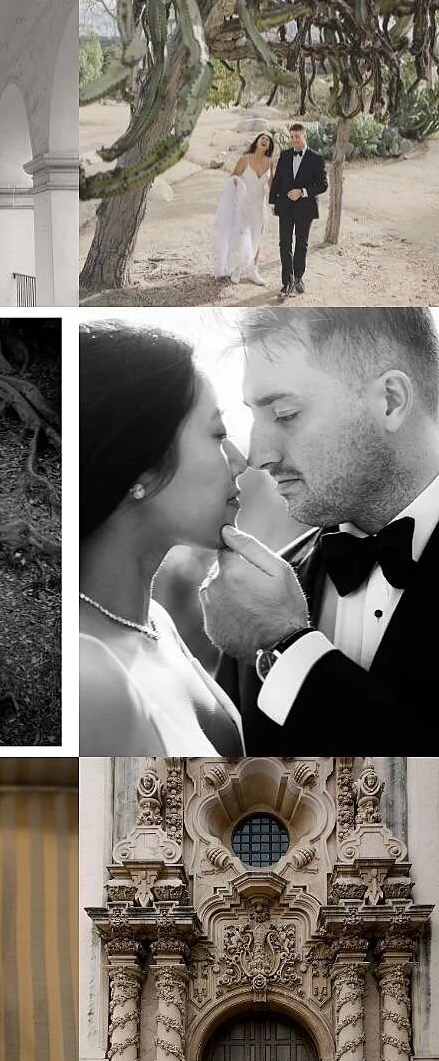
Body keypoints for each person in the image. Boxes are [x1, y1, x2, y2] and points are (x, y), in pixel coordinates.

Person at [204, 306, 439, 756]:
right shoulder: (260, 593)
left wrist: (290, 647)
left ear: (390, 400)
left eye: (285, 414)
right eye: (255, 415)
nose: (257, 455)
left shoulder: (269, 620)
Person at [79, 320, 246, 757]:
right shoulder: (88, 677)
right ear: (142, 468)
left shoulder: (155, 621)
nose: (241, 461)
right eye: (218, 435)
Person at [269, 122, 327, 298]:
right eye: (292, 136)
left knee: (302, 244)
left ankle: (298, 277)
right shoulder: (285, 155)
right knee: (285, 243)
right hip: (285, 207)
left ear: (305, 136)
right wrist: (273, 202)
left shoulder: (316, 158)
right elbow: (277, 179)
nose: (294, 139)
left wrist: (302, 192)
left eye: (297, 136)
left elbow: (323, 185)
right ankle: (287, 282)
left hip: (305, 208)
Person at [212, 134, 274, 285]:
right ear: (257, 142)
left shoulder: (270, 163)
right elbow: (233, 179)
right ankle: (238, 269)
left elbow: (272, 185)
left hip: (260, 206)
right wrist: (238, 194)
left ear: (269, 146)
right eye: (263, 138)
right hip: (243, 205)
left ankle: (253, 271)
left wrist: (274, 204)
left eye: (268, 140)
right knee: (241, 236)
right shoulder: (244, 159)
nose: (265, 140)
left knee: (257, 237)